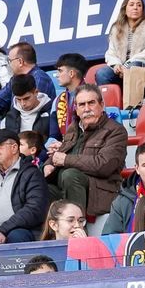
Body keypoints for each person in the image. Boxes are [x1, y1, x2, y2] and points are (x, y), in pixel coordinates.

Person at [45, 87, 128, 218]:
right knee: (38, 183)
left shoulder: (116, 131)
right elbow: (63, 150)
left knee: (70, 175)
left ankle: (78, 228)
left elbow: (104, 166)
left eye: (91, 103)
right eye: (82, 105)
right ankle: (46, 234)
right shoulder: (74, 127)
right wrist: (48, 165)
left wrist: (66, 160)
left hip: (99, 191)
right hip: (66, 186)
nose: (87, 109)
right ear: (76, 109)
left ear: (101, 105)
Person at [0, 130, 51, 243]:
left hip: (15, 232)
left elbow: (35, 209)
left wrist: (5, 230)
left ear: (14, 148)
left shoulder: (31, 174)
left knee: (17, 236)